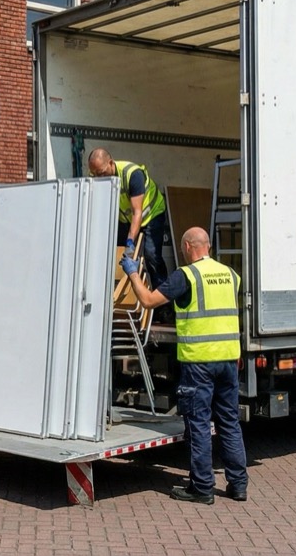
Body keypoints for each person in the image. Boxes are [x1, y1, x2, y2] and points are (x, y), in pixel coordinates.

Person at [123, 226, 248, 504]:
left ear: (189, 247)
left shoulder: (186, 276)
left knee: (199, 424)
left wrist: (132, 271)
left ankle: (202, 488)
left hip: (199, 363)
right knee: (229, 423)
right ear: (209, 248)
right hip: (228, 360)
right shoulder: (231, 275)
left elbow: (148, 300)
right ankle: (238, 486)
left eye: (182, 249)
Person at [87, 147, 170, 289]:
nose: (99, 178)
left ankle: (162, 302)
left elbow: (137, 212)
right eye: (94, 175)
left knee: (151, 255)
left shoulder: (133, 174)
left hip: (150, 214)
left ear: (111, 163)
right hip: (126, 218)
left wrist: (130, 242)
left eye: (101, 173)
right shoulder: (99, 177)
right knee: (118, 254)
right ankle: (121, 297)